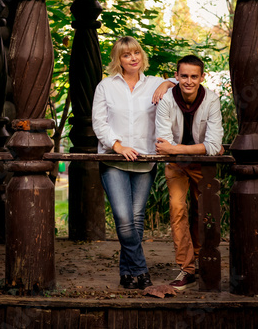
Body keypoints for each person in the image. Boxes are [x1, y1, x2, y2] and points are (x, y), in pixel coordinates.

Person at [92, 36, 176, 290]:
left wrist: (168, 82)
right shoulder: (105, 87)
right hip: (114, 160)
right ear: (119, 60)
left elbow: (183, 83)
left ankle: (127, 274)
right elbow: (99, 123)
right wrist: (117, 145)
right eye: (127, 55)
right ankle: (141, 270)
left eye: (137, 53)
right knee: (123, 217)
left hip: (145, 160)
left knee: (136, 219)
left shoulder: (154, 84)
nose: (133, 58)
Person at [155, 54, 223, 291]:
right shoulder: (166, 101)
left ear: (202, 77)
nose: (189, 81)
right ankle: (187, 268)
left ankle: (203, 259)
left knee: (204, 210)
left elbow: (214, 148)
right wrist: (175, 150)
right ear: (177, 76)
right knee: (177, 208)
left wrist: (175, 148)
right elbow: (163, 144)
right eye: (184, 76)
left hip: (202, 166)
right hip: (176, 165)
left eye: (194, 76)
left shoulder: (211, 101)